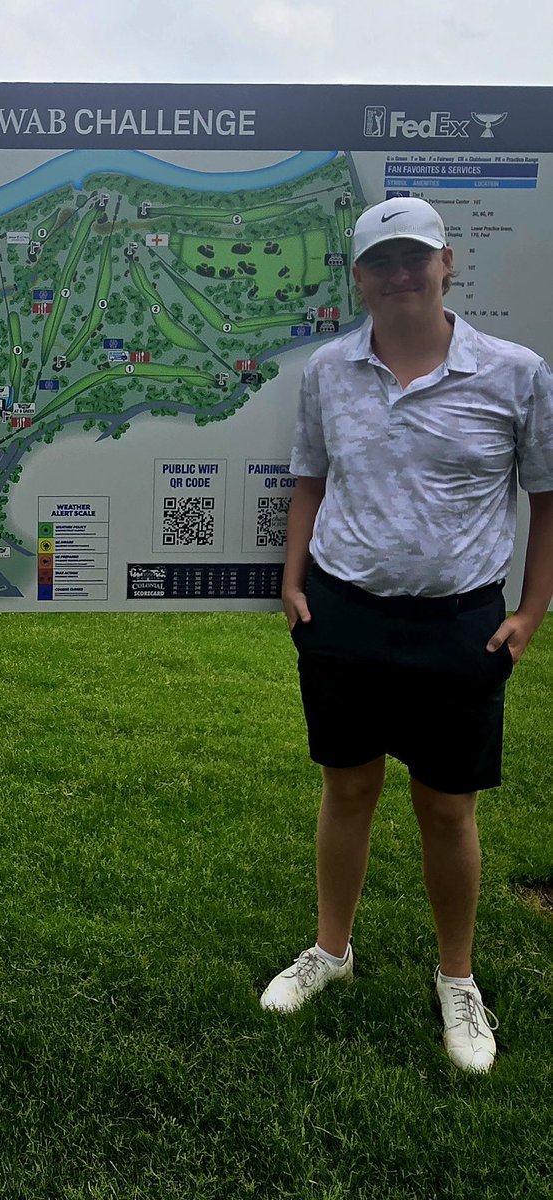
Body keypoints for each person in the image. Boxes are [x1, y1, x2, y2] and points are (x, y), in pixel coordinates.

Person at [260, 197, 553, 1072]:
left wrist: (532, 610)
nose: (399, 274)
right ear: (357, 276)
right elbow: (309, 480)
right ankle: (332, 951)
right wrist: (291, 577)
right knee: (346, 791)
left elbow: (545, 499)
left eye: (414, 257)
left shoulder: (516, 371)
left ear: (447, 261)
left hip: (459, 621)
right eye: (380, 261)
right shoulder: (327, 371)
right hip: (345, 611)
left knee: (446, 808)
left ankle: (456, 978)